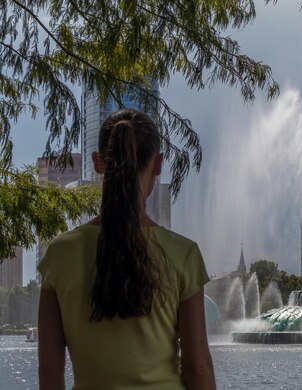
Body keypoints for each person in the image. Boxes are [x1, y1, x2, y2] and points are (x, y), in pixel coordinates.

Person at [37, 109, 216, 390]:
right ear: (158, 164)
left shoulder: (60, 254)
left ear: (97, 163)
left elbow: (49, 370)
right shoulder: (183, 254)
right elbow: (198, 369)